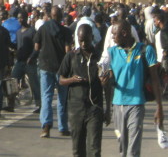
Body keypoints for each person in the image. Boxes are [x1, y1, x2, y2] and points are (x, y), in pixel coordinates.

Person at [102, 19, 163, 157]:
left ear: (124, 33)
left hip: (136, 105)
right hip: (118, 105)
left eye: (114, 34)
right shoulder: (112, 52)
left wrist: (159, 107)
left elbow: (154, 80)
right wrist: (105, 82)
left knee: (133, 150)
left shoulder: (145, 50)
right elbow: (110, 78)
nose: (112, 37)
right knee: (122, 147)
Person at [59, 24, 107, 157]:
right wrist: (72, 80)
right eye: (81, 40)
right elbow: (61, 79)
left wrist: (108, 109)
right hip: (76, 108)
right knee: (78, 150)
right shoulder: (71, 56)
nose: (84, 43)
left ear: (92, 37)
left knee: (94, 149)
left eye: (86, 39)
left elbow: (107, 81)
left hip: (95, 108)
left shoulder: (99, 57)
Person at [34, 5, 72, 138]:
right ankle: (63, 127)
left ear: (50, 15)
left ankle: (46, 126)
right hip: (61, 68)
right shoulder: (66, 31)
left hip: (45, 66)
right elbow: (68, 51)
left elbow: (36, 46)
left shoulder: (42, 28)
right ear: (61, 16)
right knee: (62, 98)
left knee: (46, 96)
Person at [8, 10, 40, 113]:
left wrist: (32, 57)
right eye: (18, 18)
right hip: (19, 62)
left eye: (21, 18)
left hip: (30, 63)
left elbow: (37, 47)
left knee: (34, 83)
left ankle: (40, 105)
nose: (20, 20)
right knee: (12, 82)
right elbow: (17, 46)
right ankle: (11, 104)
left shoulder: (32, 31)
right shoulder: (18, 32)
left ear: (26, 18)